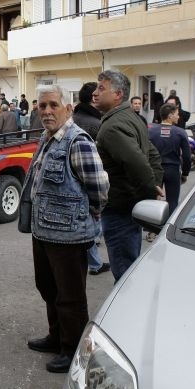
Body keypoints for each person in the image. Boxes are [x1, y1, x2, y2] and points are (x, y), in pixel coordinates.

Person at [22, 84, 109, 373]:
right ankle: (56, 337)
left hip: (69, 236)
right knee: (48, 289)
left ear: (68, 108)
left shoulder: (78, 141)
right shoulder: (46, 139)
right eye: (42, 106)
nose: (46, 111)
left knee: (70, 296)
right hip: (43, 232)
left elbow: (99, 187)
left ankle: (73, 350)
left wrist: (91, 214)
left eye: (53, 105)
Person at [93, 70, 164, 281]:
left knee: (124, 273)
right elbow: (152, 155)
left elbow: (138, 163)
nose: (95, 93)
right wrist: (155, 185)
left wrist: (150, 193)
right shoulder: (130, 117)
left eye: (101, 88)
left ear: (118, 95)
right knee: (130, 263)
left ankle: (126, 310)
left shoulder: (112, 127)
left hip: (119, 209)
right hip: (129, 207)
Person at [71, 81, 110, 276]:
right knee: (91, 220)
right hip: (91, 180)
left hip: (70, 182)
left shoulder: (71, 119)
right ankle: (94, 260)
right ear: (94, 99)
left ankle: (93, 260)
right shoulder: (98, 124)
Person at [148, 103, 191, 215]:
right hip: (173, 170)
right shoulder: (180, 132)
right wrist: (185, 173)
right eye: (177, 114)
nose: (179, 117)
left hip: (155, 170)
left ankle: (152, 230)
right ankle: (168, 228)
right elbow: (187, 156)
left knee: (153, 201)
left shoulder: (150, 131)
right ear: (170, 115)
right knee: (172, 202)